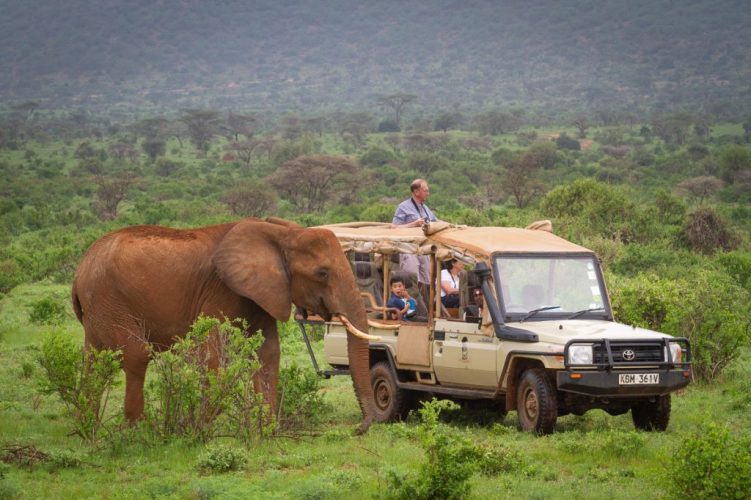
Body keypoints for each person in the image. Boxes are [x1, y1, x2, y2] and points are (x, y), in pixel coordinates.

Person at [392, 179, 438, 287]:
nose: (428, 193)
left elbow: (436, 222)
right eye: (425, 190)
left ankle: (422, 303)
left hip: (423, 248)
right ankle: (409, 303)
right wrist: (413, 224)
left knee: (427, 282)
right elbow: (393, 227)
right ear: (416, 192)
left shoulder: (425, 208)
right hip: (408, 249)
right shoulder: (403, 207)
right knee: (412, 281)